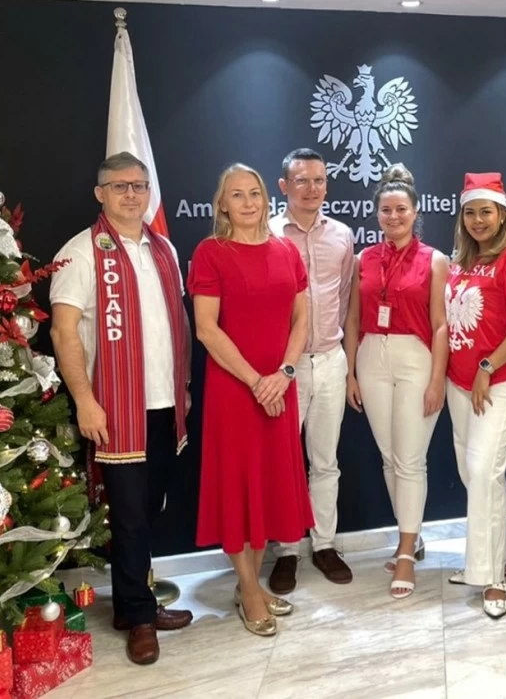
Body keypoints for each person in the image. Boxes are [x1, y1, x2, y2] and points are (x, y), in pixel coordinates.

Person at [49, 152, 194, 666]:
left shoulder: (165, 249)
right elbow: (63, 332)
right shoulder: (80, 253)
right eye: (120, 186)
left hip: (163, 405)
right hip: (115, 409)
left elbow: (174, 322)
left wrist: (183, 387)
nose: (131, 195)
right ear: (100, 194)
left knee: (147, 510)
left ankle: (133, 602)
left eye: (139, 186)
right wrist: (85, 401)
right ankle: (140, 616)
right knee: (129, 519)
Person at [188, 163, 315, 638]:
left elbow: (303, 319)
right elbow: (206, 329)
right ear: (222, 203)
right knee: (238, 489)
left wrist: (282, 375)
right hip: (234, 391)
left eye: (255, 193)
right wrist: (256, 381)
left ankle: (252, 586)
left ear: (266, 199)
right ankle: (248, 589)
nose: (247, 202)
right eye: (236, 195)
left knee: (266, 485)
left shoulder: (286, 250)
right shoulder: (210, 253)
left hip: (279, 385)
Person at [344, 164, 450, 599]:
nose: (393, 217)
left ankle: (405, 549)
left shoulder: (435, 260)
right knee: (390, 457)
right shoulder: (363, 259)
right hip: (372, 356)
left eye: (401, 209)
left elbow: (442, 325)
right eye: (386, 210)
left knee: (410, 459)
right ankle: (414, 534)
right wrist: (351, 370)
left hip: (416, 358)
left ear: (415, 211)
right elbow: (352, 318)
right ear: (377, 214)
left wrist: (437, 379)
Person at [445, 172, 506, 618]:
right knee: (478, 474)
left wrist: (487, 365)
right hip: (457, 384)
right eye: (470, 212)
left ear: (502, 214)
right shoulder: (460, 261)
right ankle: (499, 553)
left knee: (483, 470)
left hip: (497, 382)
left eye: (486, 211)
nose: (478, 220)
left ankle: (491, 577)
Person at [268, 148, 356, 594]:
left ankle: (323, 544)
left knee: (326, 461)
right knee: (286, 463)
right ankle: (286, 550)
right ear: (283, 186)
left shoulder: (341, 235)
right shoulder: (264, 235)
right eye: (301, 181)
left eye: (319, 180)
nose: (312, 189)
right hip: (287, 367)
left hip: (332, 360)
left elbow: (344, 299)